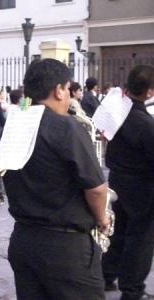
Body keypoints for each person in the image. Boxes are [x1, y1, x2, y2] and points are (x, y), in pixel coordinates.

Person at [3, 59, 109, 300]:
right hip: (64, 246)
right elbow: (96, 189)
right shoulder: (66, 127)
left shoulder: (15, 124)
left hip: (23, 238)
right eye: (69, 89)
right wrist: (102, 219)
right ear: (59, 90)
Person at [102, 65, 154, 300]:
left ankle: (106, 274)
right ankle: (132, 289)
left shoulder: (117, 115)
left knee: (119, 230)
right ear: (150, 92)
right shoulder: (146, 124)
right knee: (140, 239)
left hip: (117, 181)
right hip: (142, 187)